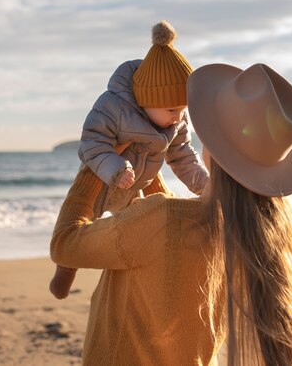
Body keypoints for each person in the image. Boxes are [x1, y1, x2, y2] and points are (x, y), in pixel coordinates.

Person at [50, 61, 292, 365]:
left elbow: (65, 243)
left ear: (211, 151)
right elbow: (163, 231)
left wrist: (96, 165)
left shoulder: (161, 220)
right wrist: (150, 161)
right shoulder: (251, 237)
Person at [49, 21, 209, 299]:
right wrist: (115, 167)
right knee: (79, 227)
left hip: (141, 180)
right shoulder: (114, 107)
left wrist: (206, 187)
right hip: (103, 179)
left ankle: (156, 274)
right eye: (172, 108)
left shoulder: (176, 121)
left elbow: (184, 157)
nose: (179, 116)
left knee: (157, 219)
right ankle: (64, 274)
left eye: (183, 109)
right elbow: (92, 143)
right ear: (146, 101)